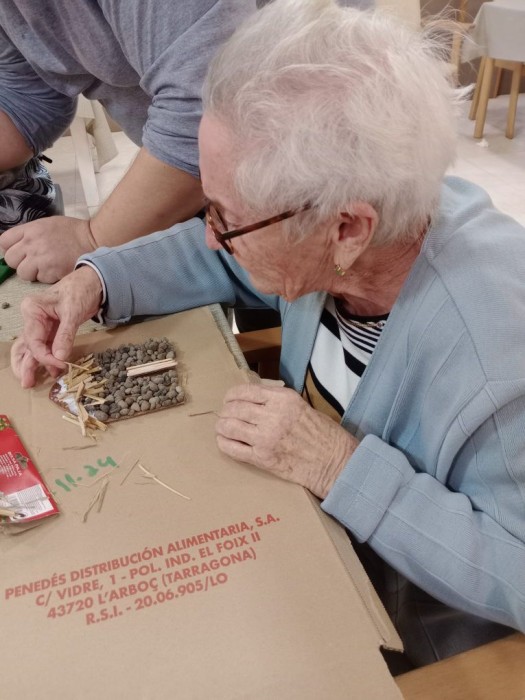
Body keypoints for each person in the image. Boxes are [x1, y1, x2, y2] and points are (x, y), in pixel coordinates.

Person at [10, 0, 525, 670]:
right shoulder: (356, 241)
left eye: (225, 218)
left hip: (421, 628)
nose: (211, 235)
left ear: (346, 228)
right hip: (315, 538)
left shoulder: (495, 356)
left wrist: (339, 467)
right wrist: (98, 280)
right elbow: (227, 260)